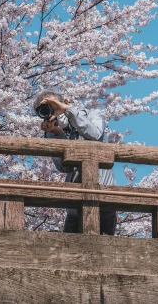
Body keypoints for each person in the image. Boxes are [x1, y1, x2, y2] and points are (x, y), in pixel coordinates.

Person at [35, 90, 117, 235]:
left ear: (64, 103)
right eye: (46, 108)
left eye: (53, 105)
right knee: (70, 254)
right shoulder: (51, 131)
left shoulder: (92, 115)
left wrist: (69, 111)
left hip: (105, 198)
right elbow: (64, 167)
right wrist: (57, 134)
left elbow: (96, 135)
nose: (52, 111)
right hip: (74, 205)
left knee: (105, 253)